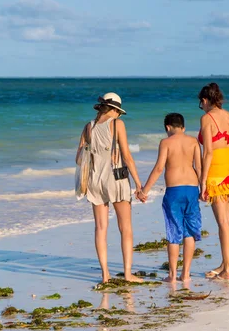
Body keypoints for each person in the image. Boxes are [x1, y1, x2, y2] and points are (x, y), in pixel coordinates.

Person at [76, 92, 143, 284]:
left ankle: (105, 275)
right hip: (116, 179)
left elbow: (78, 159)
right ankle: (128, 274)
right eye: (119, 112)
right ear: (114, 110)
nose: (119, 116)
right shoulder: (117, 124)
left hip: (95, 181)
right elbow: (127, 156)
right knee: (125, 228)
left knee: (100, 228)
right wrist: (139, 184)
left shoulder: (89, 127)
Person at [137, 113, 202, 283]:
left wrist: (144, 190)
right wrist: (204, 188)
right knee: (189, 232)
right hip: (192, 188)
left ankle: (172, 275)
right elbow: (199, 168)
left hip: (174, 190)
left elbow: (159, 168)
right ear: (183, 127)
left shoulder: (166, 142)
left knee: (174, 230)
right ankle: (186, 274)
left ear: (167, 127)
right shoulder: (193, 142)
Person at [197, 83, 229, 282]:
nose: (202, 107)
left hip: (216, 171)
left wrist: (202, 181)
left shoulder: (207, 118)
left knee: (222, 223)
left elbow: (208, 152)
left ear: (205, 101)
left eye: (201, 103)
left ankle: (228, 271)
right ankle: (225, 265)